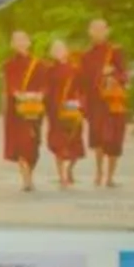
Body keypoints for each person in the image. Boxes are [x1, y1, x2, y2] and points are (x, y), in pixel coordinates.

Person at [76, 16, 131, 188]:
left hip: (114, 102)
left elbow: (124, 75)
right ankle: (99, 171)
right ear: (89, 32)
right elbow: (82, 81)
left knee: (114, 139)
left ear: (108, 31)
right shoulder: (86, 56)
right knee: (98, 138)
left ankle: (110, 176)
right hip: (95, 104)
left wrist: (113, 76)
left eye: (102, 28)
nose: (98, 32)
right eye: (95, 29)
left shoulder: (115, 52)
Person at [0, 28, 46, 193]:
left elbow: (45, 84)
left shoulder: (39, 64)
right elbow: (10, 85)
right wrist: (17, 94)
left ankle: (29, 174)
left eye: (22, 39)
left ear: (28, 42)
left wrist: (40, 94)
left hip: (34, 109)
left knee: (33, 145)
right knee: (21, 143)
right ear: (12, 44)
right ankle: (26, 180)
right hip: (16, 110)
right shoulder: (8, 65)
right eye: (15, 40)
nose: (19, 43)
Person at [43, 35, 88, 190]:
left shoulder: (76, 69)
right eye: (54, 49)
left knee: (74, 142)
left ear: (67, 51)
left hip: (73, 109)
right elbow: (45, 89)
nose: (58, 51)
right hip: (55, 111)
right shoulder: (48, 70)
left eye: (60, 48)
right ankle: (61, 175)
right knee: (59, 144)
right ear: (51, 53)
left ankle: (70, 170)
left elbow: (83, 89)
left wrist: (81, 103)